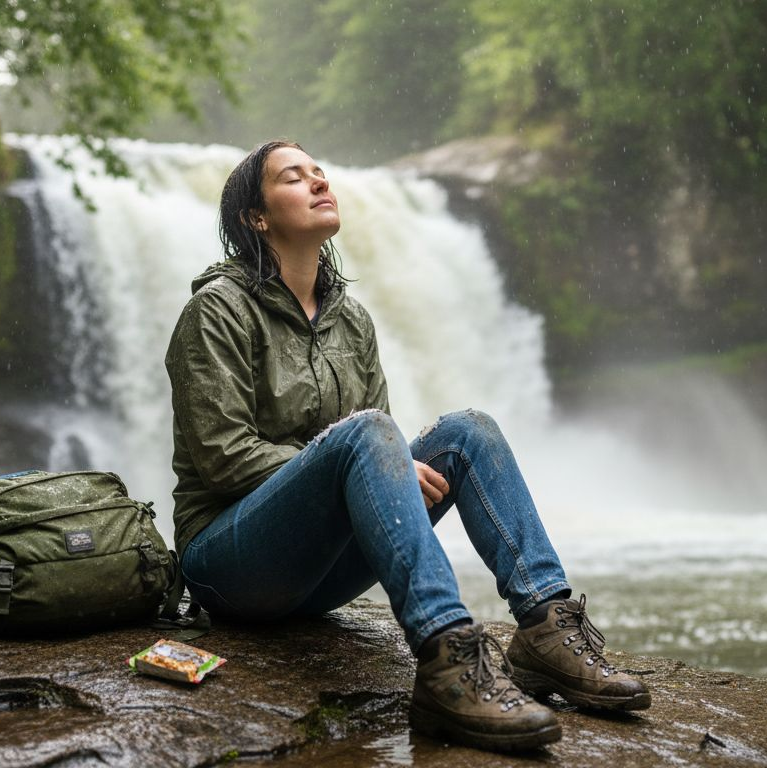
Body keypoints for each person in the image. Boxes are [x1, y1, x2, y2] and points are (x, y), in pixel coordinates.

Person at [165, 140, 649, 752]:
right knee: (368, 432)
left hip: (316, 576)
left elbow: (378, 445)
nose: (319, 182)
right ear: (255, 219)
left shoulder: (352, 319)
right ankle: (447, 658)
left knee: (469, 430)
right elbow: (223, 456)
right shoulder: (217, 310)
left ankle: (545, 628)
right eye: (295, 178)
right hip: (229, 563)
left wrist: (380, 469)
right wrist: (358, 463)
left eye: (321, 172)